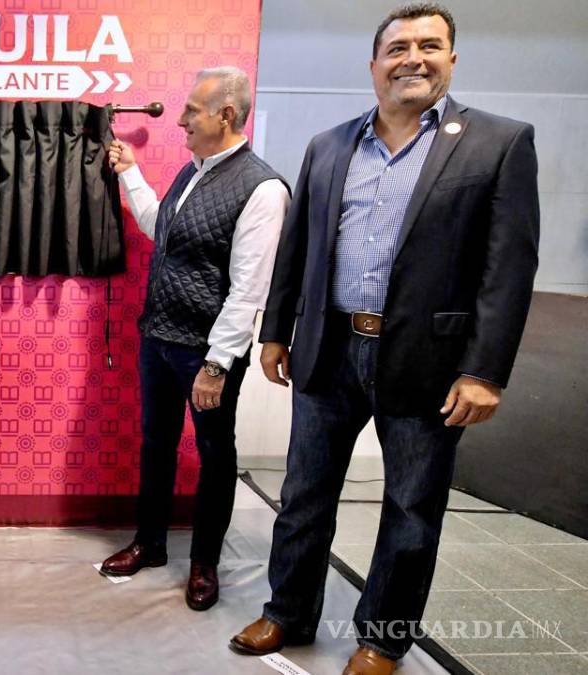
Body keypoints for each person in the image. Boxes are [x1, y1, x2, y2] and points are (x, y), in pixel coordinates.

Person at [229, 4, 540, 673]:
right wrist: (276, 332)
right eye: (398, 48)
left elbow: (509, 269)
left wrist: (485, 370)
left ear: (452, 58)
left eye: (429, 45)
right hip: (329, 349)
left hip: (430, 361)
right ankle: (288, 611)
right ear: (374, 64)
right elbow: (299, 247)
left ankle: (383, 638)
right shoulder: (329, 145)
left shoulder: (499, 143)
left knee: (410, 508)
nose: (413, 59)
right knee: (304, 494)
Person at [99, 67, 290, 611]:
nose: (181, 119)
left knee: (215, 453)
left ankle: (205, 562)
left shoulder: (263, 189)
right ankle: (151, 543)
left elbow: (249, 289)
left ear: (225, 115)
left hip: (206, 354)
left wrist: (217, 365)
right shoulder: (192, 172)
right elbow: (161, 228)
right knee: (156, 443)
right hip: (159, 339)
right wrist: (131, 174)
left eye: (192, 110)